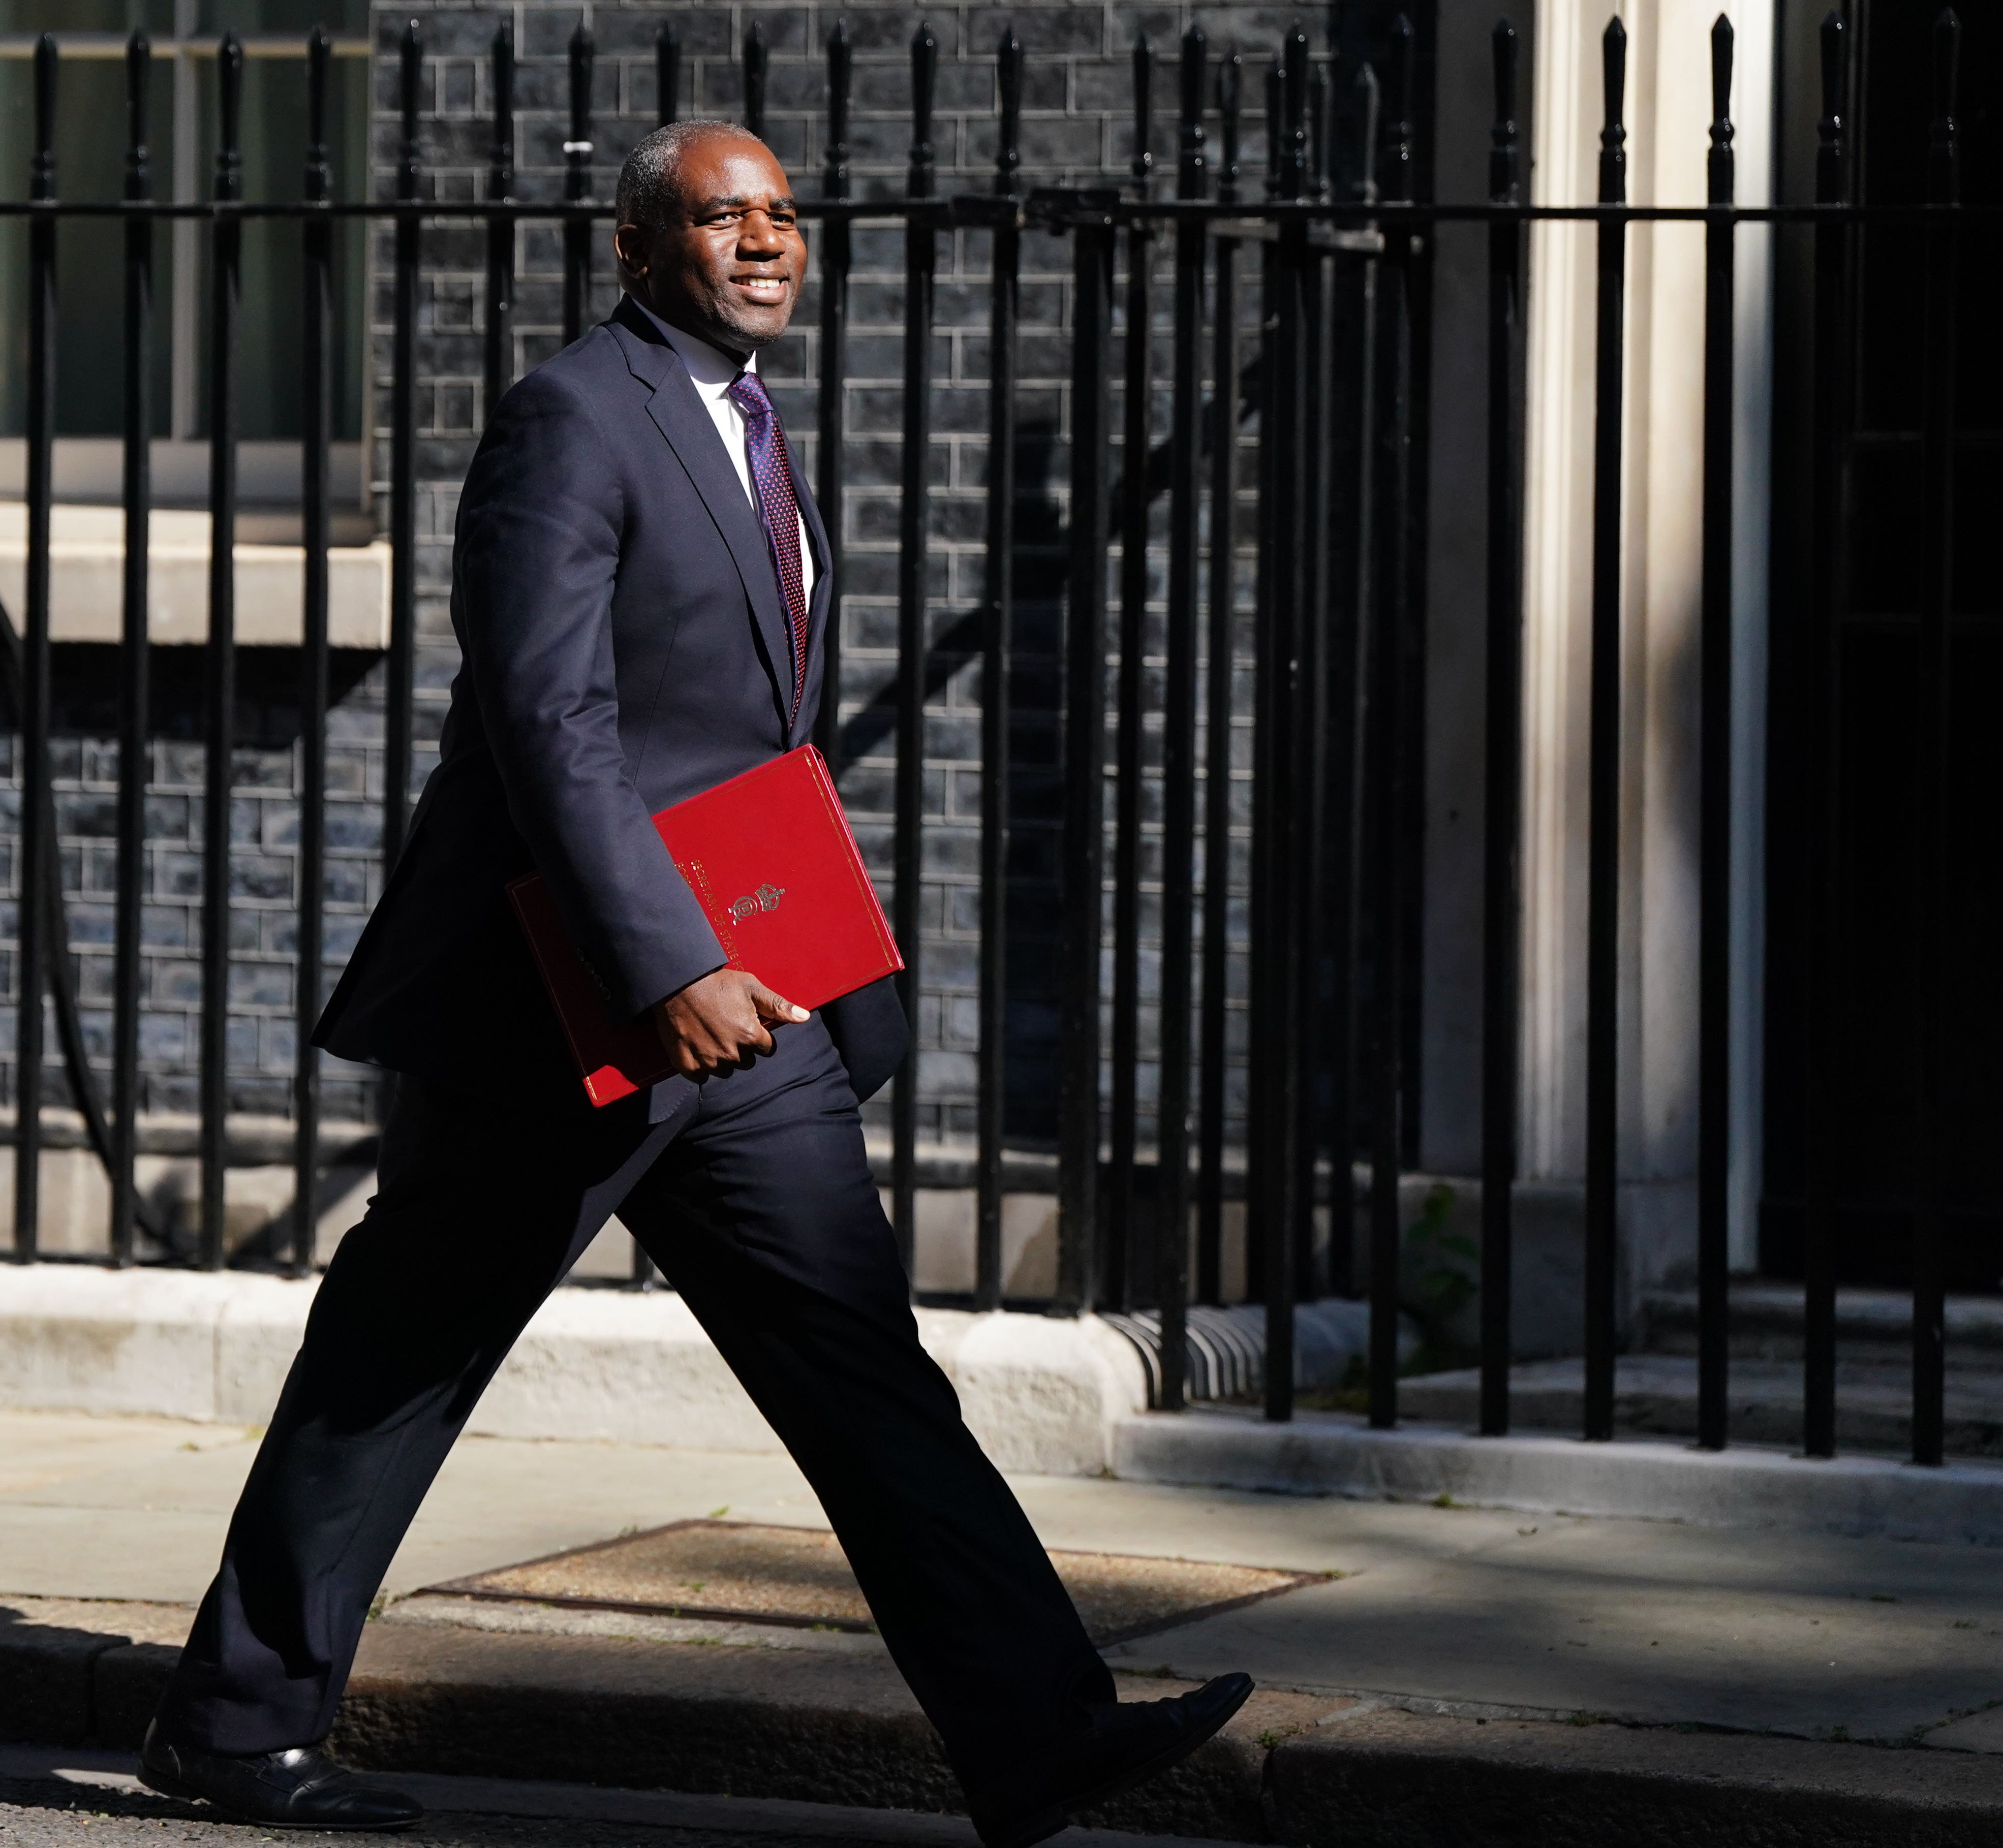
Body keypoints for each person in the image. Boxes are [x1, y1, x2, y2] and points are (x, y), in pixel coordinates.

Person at [137, 120, 1252, 1847]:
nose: (765, 242)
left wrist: (785, 960)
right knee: (399, 1361)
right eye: (725, 218)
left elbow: (743, 739)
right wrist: (665, 962)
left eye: (783, 216)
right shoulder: (575, 418)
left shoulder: (750, 425)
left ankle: (1043, 1737)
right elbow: (549, 720)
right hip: (561, 1011)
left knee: (860, 1366)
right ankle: (234, 1721)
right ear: (637, 246)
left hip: (751, 1016)